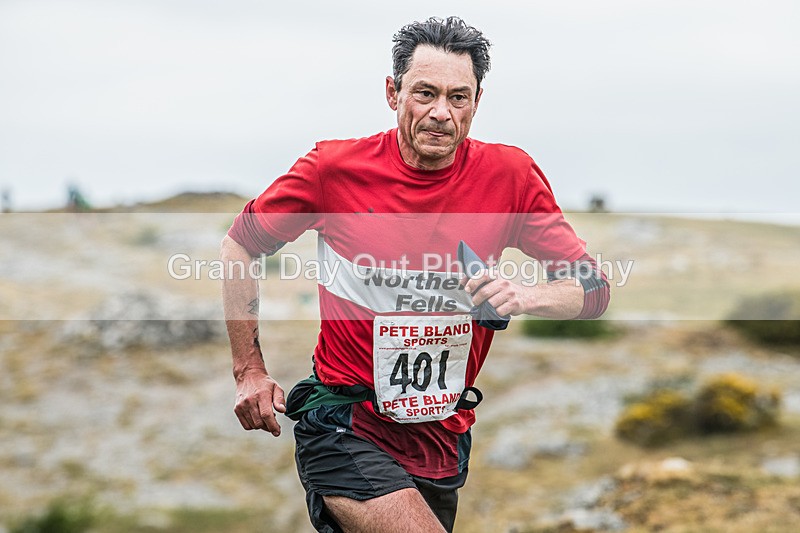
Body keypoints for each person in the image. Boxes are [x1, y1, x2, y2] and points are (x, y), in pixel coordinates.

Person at [221, 16, 609, 533]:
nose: (440, 113)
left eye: (458, 97)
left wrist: (527, 295)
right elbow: (240, 245)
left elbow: (592, 289)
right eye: (424, 93)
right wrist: (249, 368)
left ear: (477, 101)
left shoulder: (510, 177)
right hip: (345, 423)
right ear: (392, 92)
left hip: (442, 440)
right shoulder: (333, 170)